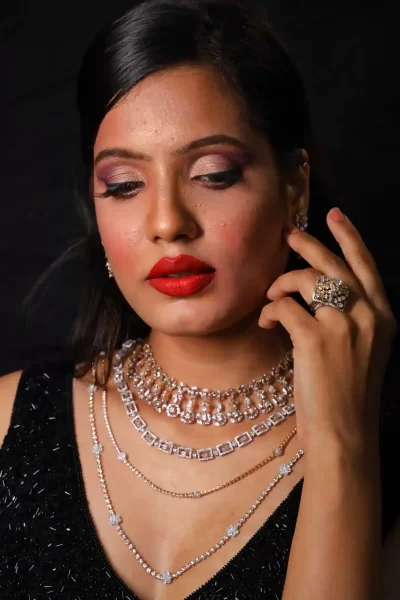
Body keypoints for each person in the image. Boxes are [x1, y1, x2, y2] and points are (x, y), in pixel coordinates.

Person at [0, 0, 398, 598]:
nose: (167, 222)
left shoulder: (379, 443)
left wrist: (342, 446)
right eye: (124, 185)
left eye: (213, 174)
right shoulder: (8, 419)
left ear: (295, 188)